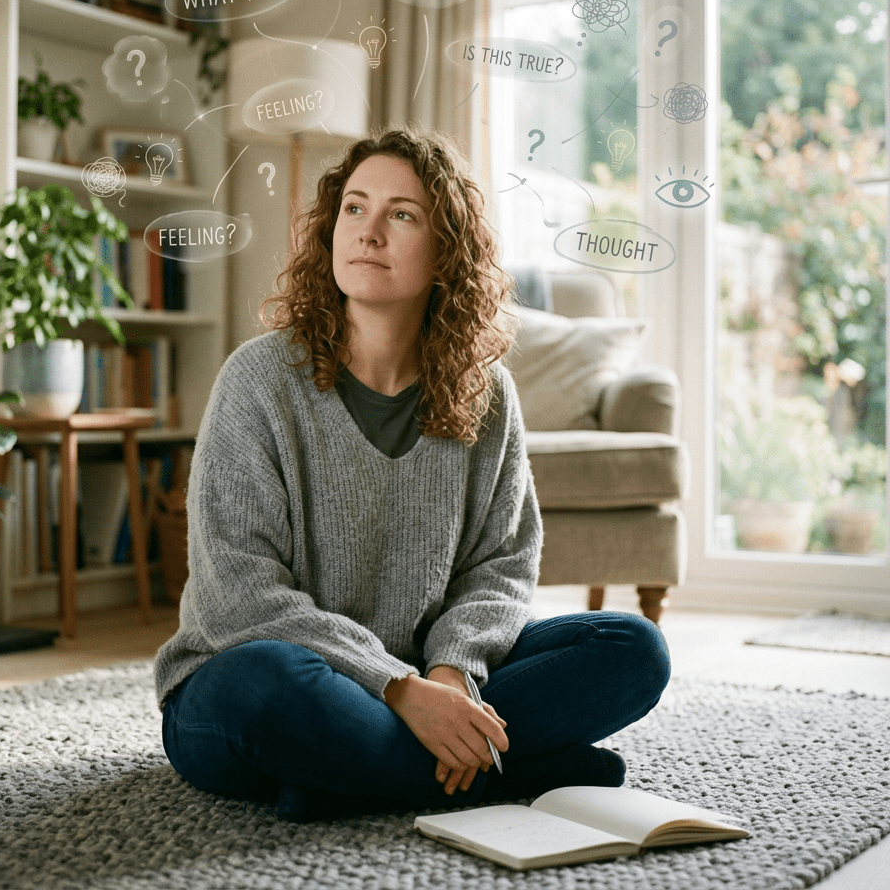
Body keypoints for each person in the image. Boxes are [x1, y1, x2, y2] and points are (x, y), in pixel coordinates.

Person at [154, 125, 670, 822]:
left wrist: (451, 674)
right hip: (267, 684)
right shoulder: (258, 381)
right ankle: (504, 771)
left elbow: (502, 568)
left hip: (429, 677)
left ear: (446, 251)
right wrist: (398, 687)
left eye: (402, 215)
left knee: (632, 646)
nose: (368, 231)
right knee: (265, 681)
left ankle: (356, 776)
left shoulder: (487, 397)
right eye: (355, 208)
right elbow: (239, 601)